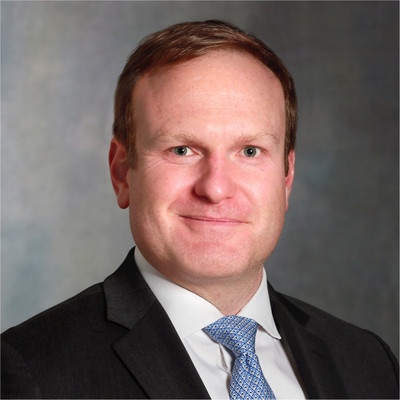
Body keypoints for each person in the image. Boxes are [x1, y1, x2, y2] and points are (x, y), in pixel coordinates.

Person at [1, 20, 398, 399]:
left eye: (249, 151)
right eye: (181, 150)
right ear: (122, 172)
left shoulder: (370, 363)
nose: (215, 188)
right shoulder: (30, 372)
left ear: (287, 176)